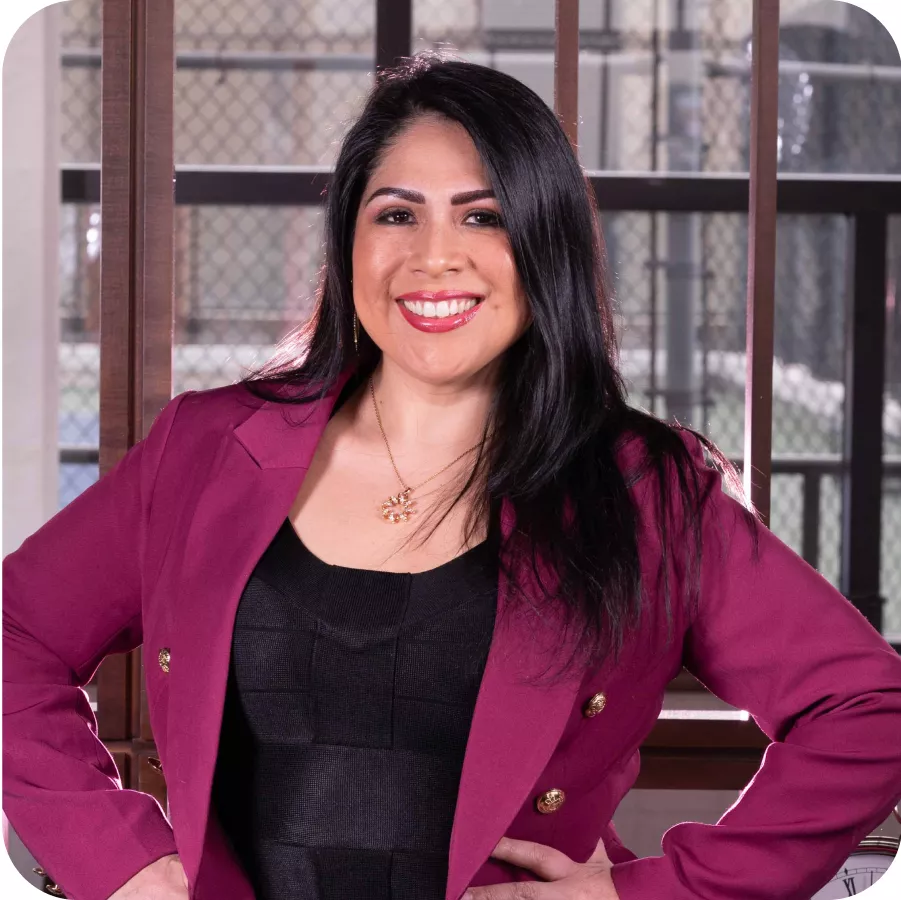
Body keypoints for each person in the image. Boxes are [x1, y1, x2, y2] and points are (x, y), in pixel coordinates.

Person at [4, 50, 901, 900]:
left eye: (483, 216)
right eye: (396, 215)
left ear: (544, 243)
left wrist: (663, 891)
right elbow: (16, 632)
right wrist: (121, 861)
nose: (434, 256)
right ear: (348, 240)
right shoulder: (205, 447)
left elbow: (868, 706)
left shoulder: (647, 492)